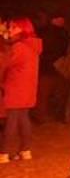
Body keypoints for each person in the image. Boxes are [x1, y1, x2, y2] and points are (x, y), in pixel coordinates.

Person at [1, 18, 42, 163]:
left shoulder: (19, 47)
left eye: (13, 28)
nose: (9, 30)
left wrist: (3, 42)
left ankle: (4, 153)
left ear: (22, 30)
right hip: (27, 88)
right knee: (23, 119)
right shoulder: (31, 45)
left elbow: (4, 62)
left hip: (16, 88)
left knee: (11, 121)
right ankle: (25, 151)